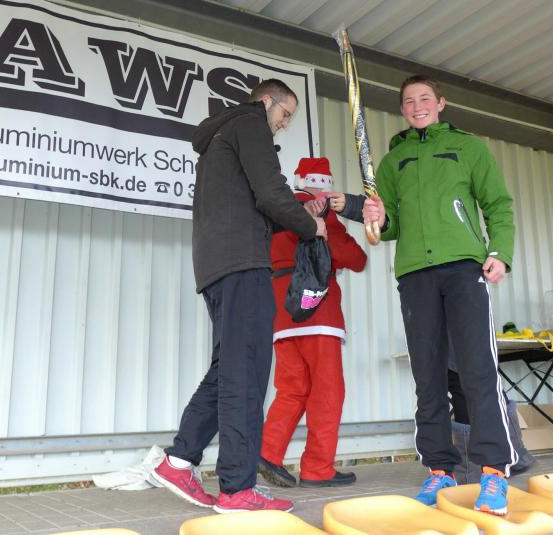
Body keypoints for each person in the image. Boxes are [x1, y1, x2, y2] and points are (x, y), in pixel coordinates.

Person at [152, 79, 326, 514]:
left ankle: (179, 462)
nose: (284, 124)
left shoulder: (222, 136)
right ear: (266, 101)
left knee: (228, 368)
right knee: (245, 373)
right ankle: (237, 488)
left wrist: (298, 213)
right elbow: (270, 192)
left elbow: (257, 203)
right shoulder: (250, 123)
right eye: (284, 114)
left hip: (216, 264)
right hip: (243, 264)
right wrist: (312, 226)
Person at [363, 74, 516, 516]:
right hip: (415, 275)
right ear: (402, 109)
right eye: (409, 101)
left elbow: (498, 204)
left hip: (464, 268)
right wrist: (376, 216)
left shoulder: (467, 147)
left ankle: (493, 471)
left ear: (441, 103)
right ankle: (439, 470)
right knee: (428, 377)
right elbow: (389, 227)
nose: (417, 106)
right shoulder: (393, 160)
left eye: (425, 98)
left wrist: (500, 252)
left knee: (477, 371)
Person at [258, 157, 367, 489]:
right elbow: (355, 258)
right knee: (327, 391)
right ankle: (318, 468)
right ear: (326, 184)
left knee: (292, 389)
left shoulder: (276, 212)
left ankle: (267, 452)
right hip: (318, 313)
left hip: (281, 311)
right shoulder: (322, 212)